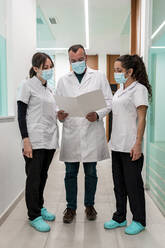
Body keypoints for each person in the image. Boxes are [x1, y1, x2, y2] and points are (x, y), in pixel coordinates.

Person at [56, 44, 113, 223]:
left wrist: (97, 114)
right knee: (70, 173)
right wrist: (60, 114)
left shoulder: (99, 76)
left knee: (91, 172)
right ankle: (71, 208)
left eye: (80, 60)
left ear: (86, 57)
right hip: (72, 131)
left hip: (91, 130)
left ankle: (89, 205)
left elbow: (109, 102)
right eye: (73, 61)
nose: (77, 63)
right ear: (69, 61)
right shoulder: (63, 80)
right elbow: (57, 104)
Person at [104, 54, 152, 235]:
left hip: (131, 146)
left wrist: (138, 143)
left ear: (130, 71)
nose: (115, 74)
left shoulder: (138, 89)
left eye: (119, 71)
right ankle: (120, 217)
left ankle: (139, 220)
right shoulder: (120, 90)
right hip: (117, 145)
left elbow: (142, 118)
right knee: (119, 185)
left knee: (133, 185)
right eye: (115, 70)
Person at [17, 52, 58, 232]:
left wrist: (60, 114)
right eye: (45, 67)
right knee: (33, 178)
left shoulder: (49, 89)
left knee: (43, 176)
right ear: (36, 69)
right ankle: (33, 215)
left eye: (51, 67)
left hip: (49, 140)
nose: (49, 70)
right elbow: (21, 114)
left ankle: (40, 207)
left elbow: (50, 114)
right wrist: (26, 140)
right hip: (34, 140)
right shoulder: (27, 85)